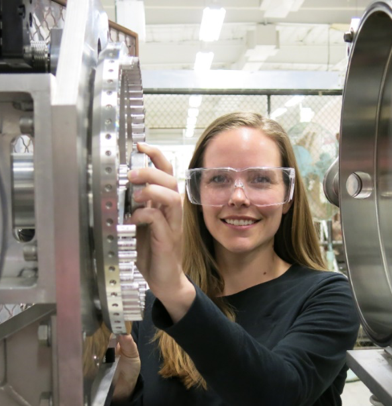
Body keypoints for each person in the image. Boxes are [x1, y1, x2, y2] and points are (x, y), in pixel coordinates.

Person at [111, 112, 359, 406]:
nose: (238, 197)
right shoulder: (158, 304)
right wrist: (122, 392)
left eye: (260, 179)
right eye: (219, 178)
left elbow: (280, 394)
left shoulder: (328, 296)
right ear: (195, 193)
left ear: (288, 197)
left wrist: (177, 291)